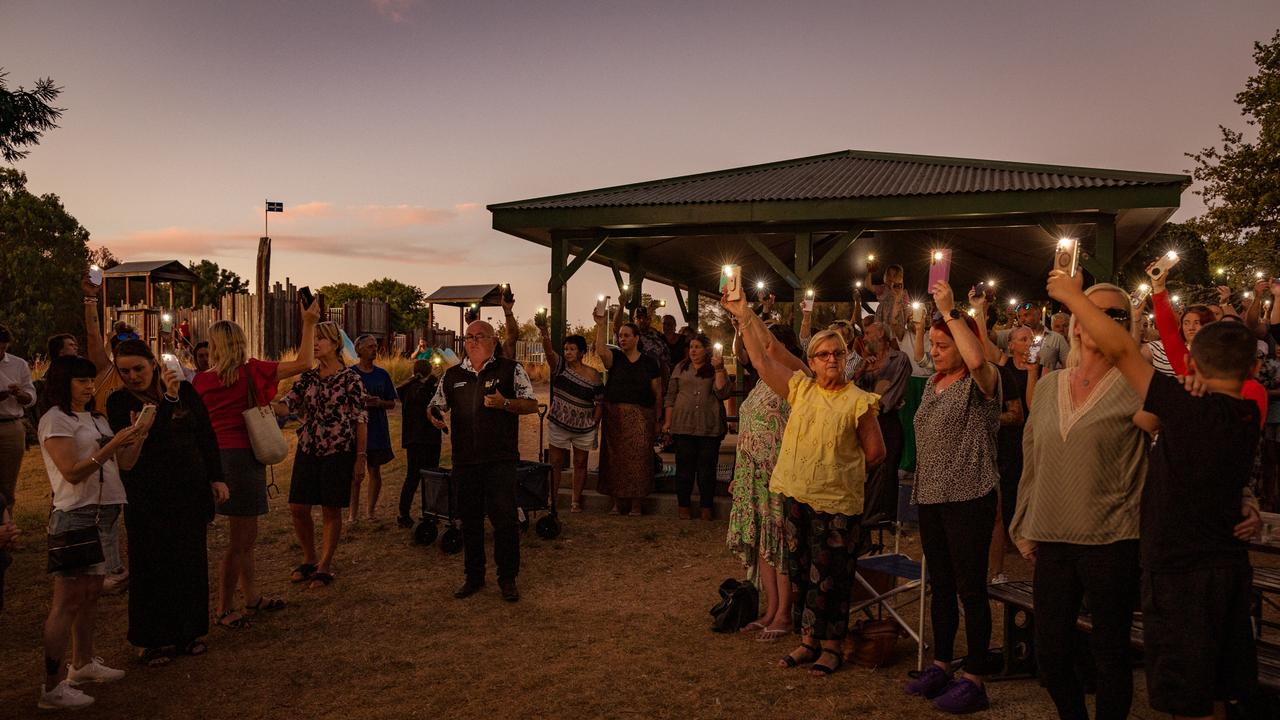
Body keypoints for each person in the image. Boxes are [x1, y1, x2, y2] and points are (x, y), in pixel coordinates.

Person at [1048, 269, 1262, 720]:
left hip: (1180, 575)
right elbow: (1151, 419)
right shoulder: (1245, 415)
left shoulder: (1184, 408)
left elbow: (1124, 348)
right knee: (1218, 688)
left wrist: (1071, 296)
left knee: (1188, 697)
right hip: (1229, 569)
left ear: (1192, 365)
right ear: (1256, 369)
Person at [1008, 283, 1156, 720]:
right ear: (1075, 320)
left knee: (1109, 654)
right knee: (1050, 654)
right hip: (1053, 534)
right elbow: (1031, 458)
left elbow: (1178, 441)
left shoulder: (1136, 387)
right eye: (1093, 309)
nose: (1101, 320)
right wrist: (1024, 522)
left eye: (1114, 315)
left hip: (1112, 537)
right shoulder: (1051, 385)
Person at [723, 293, 885, 677]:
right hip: (798, 496)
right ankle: (808, 641)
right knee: (802, 572)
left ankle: (831, 647)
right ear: (811, 362)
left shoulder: (858, 400)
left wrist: (837, 465)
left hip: (838, 503)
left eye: (838, 354)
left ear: (847, 358)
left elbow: (875, 453)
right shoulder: (801, 389)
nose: (831, 359)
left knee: (832, 579)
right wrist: (744, 315)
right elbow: (764, 357)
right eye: (823, 354)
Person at [192, 296, 319, 628]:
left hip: (218, 460)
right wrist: (308, 322)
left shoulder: (201, 381)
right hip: (243, 459)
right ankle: (222, 609)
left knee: (245, 538)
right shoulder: (254, 370)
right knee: (240, 542)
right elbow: (306, 362)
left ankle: (251, 598)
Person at [903, 281, 1001, 714]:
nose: (936, 351)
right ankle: (942, 663)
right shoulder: (932, 386)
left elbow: (979, 360)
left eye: (943, 345)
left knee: (970, 588)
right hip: (932, 497)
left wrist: (951, 310)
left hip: (969, 496)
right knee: (940, 584)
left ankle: (975, 676)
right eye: (934, 344)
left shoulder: (982, 384)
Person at [106, 340, 227, 666]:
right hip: (147, 497)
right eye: (125, 371)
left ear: (153, 364)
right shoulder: (119, 402)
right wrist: (168, 402)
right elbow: (144, 441)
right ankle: (152, 639)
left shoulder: (184, 392)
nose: (133, 376)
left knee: (189, 562)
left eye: (138, 369)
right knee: (151, 566)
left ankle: (189, 633)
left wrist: (217, 477)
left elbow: (206, 435)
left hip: (188, 492)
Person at [37, 355, 145, 710]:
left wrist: (137, 435)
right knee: (66, 602)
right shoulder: (56, 420)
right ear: (63, 382)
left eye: (90, 380)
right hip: (76, 514)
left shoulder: (96, 418)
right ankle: (51, 688)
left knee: (91, 594)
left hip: (106, 512)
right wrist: (112, 446)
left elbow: (124, 464)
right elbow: (70, 471)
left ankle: (82, 663)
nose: (88, 386)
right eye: (80, 380)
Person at [430, 320, 538, 602]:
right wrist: (432, 413)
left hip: (500, 459)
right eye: (469, 337)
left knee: (504, 520)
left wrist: (505, 403)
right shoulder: (453, 376)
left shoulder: (510, 369)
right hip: (465, 460)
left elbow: (531, 404)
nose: (473, 341)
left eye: (480, 336)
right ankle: (473, 576)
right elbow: (437, 403)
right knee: (471, 520)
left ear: (493, 341)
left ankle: (507, 578)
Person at [726, 323, 806, 642]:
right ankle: (771, 608)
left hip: (777, 472)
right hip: (751, 472)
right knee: (762, 542)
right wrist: (737, 474)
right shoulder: (761, 381)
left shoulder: (794, 381)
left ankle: (785, 613)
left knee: (779, 543)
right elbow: (747, 427)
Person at [275, 321, 368, 590]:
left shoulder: (351, 379)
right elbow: (287, 406)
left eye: (320, 339)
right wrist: (265, 401)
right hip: (308, 448)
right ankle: (309, 557)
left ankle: (324, 565)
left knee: (330, 508)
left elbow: (361, 419)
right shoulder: (307, 378)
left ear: (335, 343)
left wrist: (360, 457)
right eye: (313, 338)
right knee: (298, 507)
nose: (315, 343)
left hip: (338, 451)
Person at [594, 308, 663, 516]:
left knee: (639, 460)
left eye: (626, 336)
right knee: (615, 460)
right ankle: (617, 503)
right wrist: (600, 325)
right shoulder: (615, 357)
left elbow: (657, 392)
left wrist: (658, 419)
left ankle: (636, 504)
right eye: (620, 336)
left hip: (642, 416)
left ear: (636, 338)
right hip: (615, 416)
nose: (622, 339)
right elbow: (600, 350)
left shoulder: (650, 362)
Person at [538, 315, 603, 513]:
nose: (568, 352)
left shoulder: (594, 375)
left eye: (572, 349)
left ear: (582, 352)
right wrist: (544, 331)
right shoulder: (559, 367)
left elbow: (600, 402)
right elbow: (549, 351)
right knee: (555, 462)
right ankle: (553, 499)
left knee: (580, 463)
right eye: (566, 349)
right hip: (559, 422)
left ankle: (576, 501)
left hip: (584, 425)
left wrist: (594, 423)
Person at [663, 334, 732, 519]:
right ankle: (683, 506)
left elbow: (723, 392)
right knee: (684, 469)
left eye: (698, 347)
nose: (693, 350)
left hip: (709, 427)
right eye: (691, 347)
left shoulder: (716, 368)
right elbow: (670, 396)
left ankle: (706, 508)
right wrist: (668, 422)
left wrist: (719, 369)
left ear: (707, 350)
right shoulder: (680, 367)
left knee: (707, 471)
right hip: (683, 426)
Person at [852, 323, 912, 522]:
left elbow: (892, 395)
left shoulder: (899, 359)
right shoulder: (865, 363)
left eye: (868, 333)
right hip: (865, 422)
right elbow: (851, 392)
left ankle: (887, 516)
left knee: (887, 469)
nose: (865, 338)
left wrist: (871, 409)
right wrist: (861, 371)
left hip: (885, 420)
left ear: (881, 334)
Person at [349, 334, 396, 524]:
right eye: (370, 346)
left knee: (375, 471)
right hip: (355, 430)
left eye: (375, 346)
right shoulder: (350, 374)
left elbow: (392, 403)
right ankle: (353, 514)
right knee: (355, 474)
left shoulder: (382, 374)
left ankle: (370, 511)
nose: (374, 349)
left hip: (377, 430)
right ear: (359, 349)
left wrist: (379, 403)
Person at [395, 359, 443, 528]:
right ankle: (404, 513)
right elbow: (420, 398)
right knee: (414, 476)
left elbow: (432, 406)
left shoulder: (427, 389)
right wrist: (431, 381)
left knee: (431, 477)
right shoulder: (411, 389)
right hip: (417, 439)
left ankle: (430, 511)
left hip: (430, 438)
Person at [0, 323, 37, 515]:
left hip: (10, 425)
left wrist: (20, 394)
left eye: (2, 347)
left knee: (8, 483)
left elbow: (31, 397)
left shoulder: (18, 364)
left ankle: (8, 531)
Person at [999, 302, 1068, 372]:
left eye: (1026, 315)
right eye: (1019, 316)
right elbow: (990, 338)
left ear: (1039, 314)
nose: (1022, 320)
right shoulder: (1011, 334)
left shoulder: (1057, 338)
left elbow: (1068, 366)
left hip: (1042, 380)